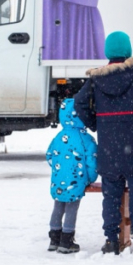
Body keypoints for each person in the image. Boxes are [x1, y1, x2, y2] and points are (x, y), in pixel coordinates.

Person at [73, 31, 133, 254]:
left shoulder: (97, 80)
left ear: (108, 52)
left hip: (110, 148)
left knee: (111, 195)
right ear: (128, 51)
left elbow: (79, 104)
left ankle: (111, 240)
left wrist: (97, 123)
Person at [45, 99, 98, 254]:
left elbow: (49, 155)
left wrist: (58, 170)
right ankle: (66, 240)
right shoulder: (86, 139)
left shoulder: (59, 136)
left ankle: (54, 239)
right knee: (71, 208)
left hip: (58, 179)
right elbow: (92, 162)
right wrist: (90, 178)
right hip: (77, 180)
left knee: (58, 206)